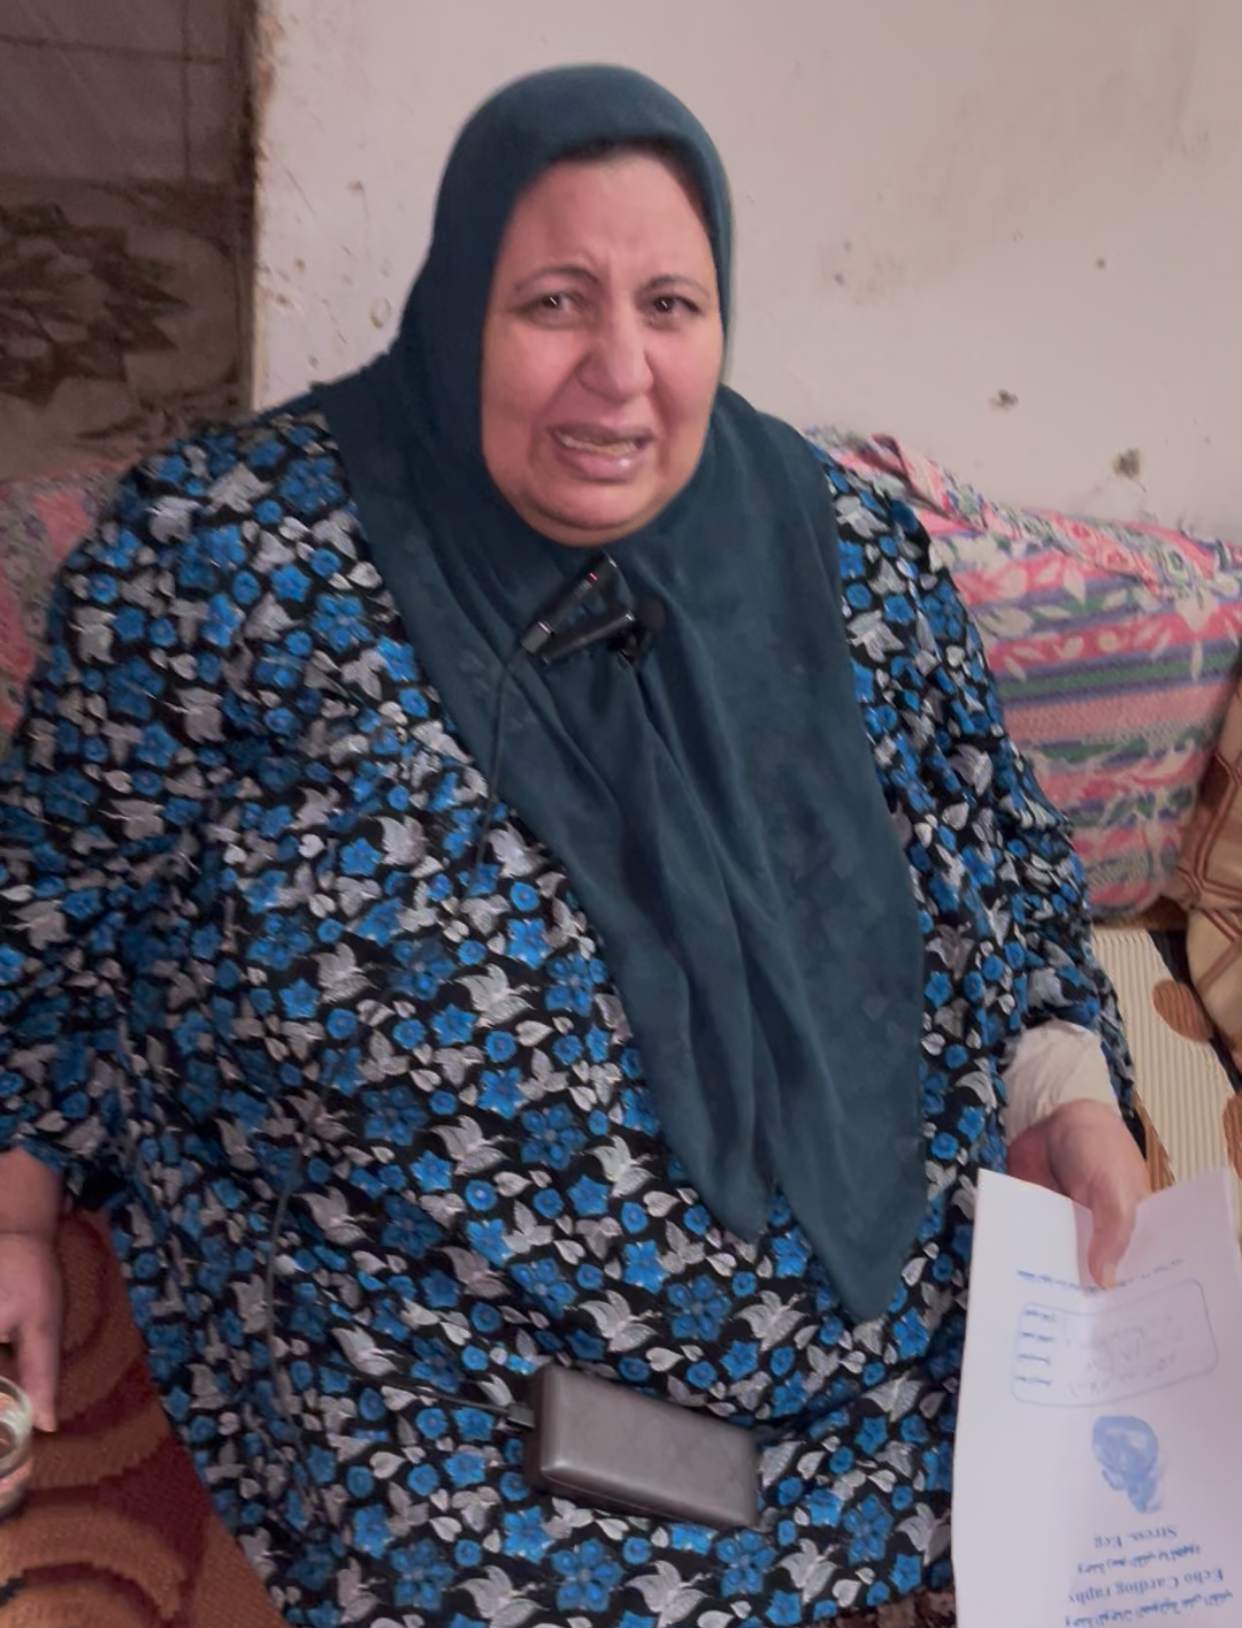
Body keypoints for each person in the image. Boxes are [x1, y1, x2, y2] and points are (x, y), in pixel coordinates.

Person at [0, 64, 1148, 1626]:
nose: (618, 375)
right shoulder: (222, 560)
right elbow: (62, 881)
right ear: (461, 298)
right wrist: (18, 1200)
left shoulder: (849, 554)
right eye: (553, 302)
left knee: (1082, 1501)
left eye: (669, 305)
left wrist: (1062, 1093)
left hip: (879, 1341)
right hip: (442, 1369)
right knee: (458, 1573)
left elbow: (1002, 854)